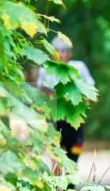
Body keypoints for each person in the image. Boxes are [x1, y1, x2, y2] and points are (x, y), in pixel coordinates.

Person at [37, 34, 95, 165]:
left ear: (70, 53)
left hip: (75, 115)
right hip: (55, 116)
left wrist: (81, 100)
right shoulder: (46, 69)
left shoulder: (79, 67)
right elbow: (41, 91)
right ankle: (57, 182)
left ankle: (71, 174)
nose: (61, 54)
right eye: (57, 51)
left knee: (76, 147)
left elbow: (90, 88)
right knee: (55, 151)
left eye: (64, 51)